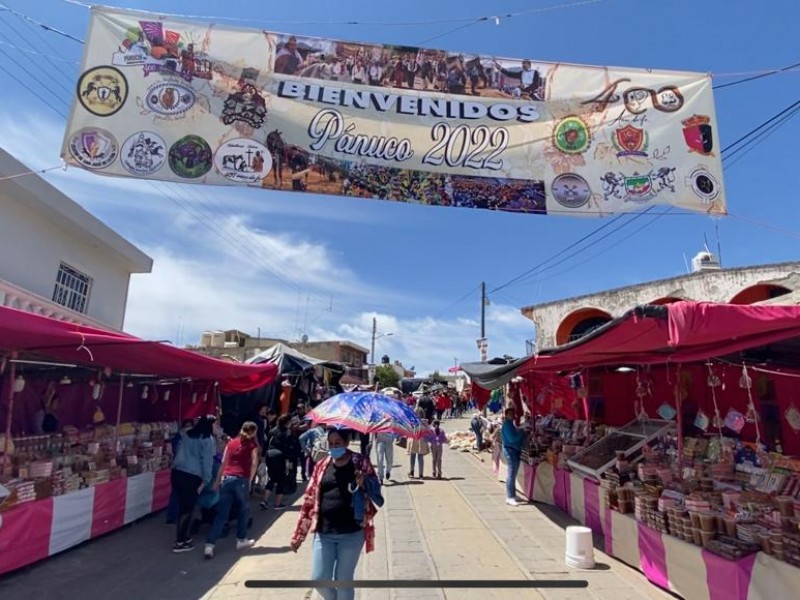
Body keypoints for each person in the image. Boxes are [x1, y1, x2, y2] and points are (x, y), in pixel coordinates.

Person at [291, 428, 384, 600]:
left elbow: (377, 494)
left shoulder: (360, 463)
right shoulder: (321, 465)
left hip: (351, 532)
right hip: (324, 532)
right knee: (319, 579)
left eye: (338, 443)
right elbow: (309, 499)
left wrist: (364, 483)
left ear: (347, 442)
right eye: (331, 443)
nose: (334, 447)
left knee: (343, 580)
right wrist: (299, 534)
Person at [204, 422, 259, 559]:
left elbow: (223, 463)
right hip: (241, 479)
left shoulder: (231, 443)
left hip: (226, 479)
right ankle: (241, 539)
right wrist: (250, 480)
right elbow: (254, 463)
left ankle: (210, 544)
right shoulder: (252, 446)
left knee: (222, 514)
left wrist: (217, 481)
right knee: (243, 510)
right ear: (253, 432)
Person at [171, 416, 216, 552]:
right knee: (187, 508)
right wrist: (206, 481)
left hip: (177, 473)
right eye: (216, 425)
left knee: (183, 506)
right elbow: (207, 461)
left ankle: (184, 536)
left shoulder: (187, 434)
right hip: (192, 476)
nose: (217, 428)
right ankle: (180, 542)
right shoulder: (207, 440)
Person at [261, 413, 294, 510]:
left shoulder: (272, 430)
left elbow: (266, 444)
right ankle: (277, 504)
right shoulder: (288, 433)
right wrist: (290, 461)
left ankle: (264, 500)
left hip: (270, 455)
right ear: (288, 422)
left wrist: (263, 456)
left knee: (272, 478)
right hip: (280, 456)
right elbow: (289, 448)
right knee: (281, 480)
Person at [166, 419, 195, 524]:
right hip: (183, 470)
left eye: (190, 426)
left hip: (179, 469)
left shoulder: (187, 438)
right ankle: (174, 516)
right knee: (178, 494)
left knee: (178, 493)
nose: (188, 428)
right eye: (186, 426)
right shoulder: (180, 439)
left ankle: (175, 515)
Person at [501, 407, 525, 506]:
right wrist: (521, 433)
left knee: (513, 474)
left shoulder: (510, 424)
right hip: (510, 451)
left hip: (514, 450)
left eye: (512, 414)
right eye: (510, 414)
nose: (512, 416)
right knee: (511, 474)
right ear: (506, 415)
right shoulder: (507, 425)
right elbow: (512, 438)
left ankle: (513, 495)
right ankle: (510, 497)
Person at [407, 410, 431, 479]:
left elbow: (408, 429)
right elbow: (428, 431)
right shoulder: (425, 422)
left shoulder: (412, 421)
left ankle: (412, 472)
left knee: (412, 456)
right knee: (420, 457)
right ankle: (421, 474)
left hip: (413, 439)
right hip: (422, 440)